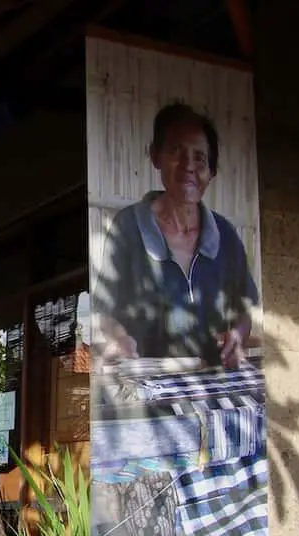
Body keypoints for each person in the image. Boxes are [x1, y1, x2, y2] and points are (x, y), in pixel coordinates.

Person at [95, 102, 259, 370]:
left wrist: (238, 336)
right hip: (148, 383)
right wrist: (120, 337)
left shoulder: (225, 235)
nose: (188, 166)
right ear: (156, 156)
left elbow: (243, 311)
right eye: (176, 151)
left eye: (200, 158)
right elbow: (106, 310)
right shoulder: (128, 227)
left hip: (208, 383)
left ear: (211, 172)